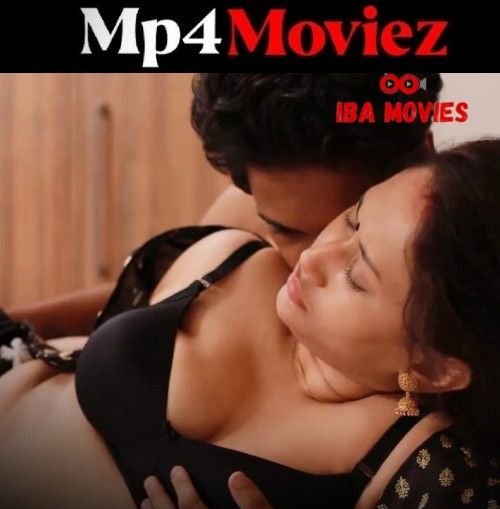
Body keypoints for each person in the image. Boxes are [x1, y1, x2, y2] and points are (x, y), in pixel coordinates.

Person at [0, 139, 498, 509]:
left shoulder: (429, 476)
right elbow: (99, 316)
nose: (315, 256)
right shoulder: (243, 252)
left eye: (357, 277)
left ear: (434, 367)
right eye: (353, 220)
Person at [7, 73, 442, 337]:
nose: (312, 261)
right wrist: (19, 323)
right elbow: (165, 295)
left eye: (350, 224)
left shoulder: (455, 271)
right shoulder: (242, 217)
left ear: (423, 160)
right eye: (287, 232)